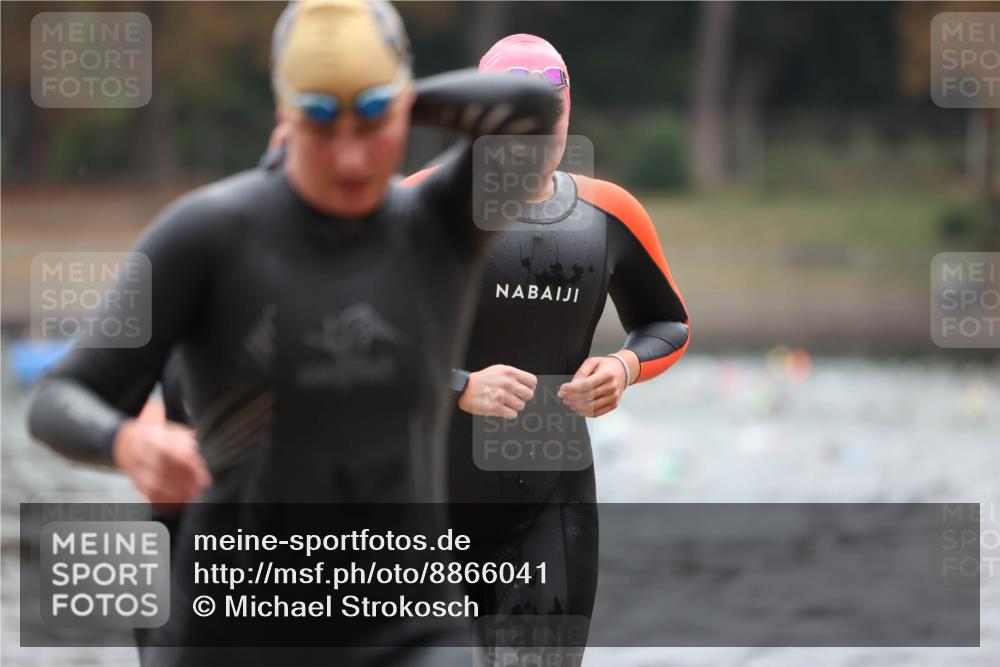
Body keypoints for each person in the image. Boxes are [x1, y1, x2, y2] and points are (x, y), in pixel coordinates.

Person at [26, 2, 560, 665]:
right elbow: (58, 398)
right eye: (320, 124)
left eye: (372, 122)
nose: (351, 155)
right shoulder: (204, 234)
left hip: (409, 626)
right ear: (284, 114)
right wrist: (126, 440)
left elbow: (531, 108)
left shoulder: (440, 223)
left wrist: (390, 95)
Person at [402, 34, 691, 662]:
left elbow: (669, 322)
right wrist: (461, 386)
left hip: (550, 514)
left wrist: (623, 365)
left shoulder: (606, 214)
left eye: (548, 119)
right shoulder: (417, 204)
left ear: (568, 113)